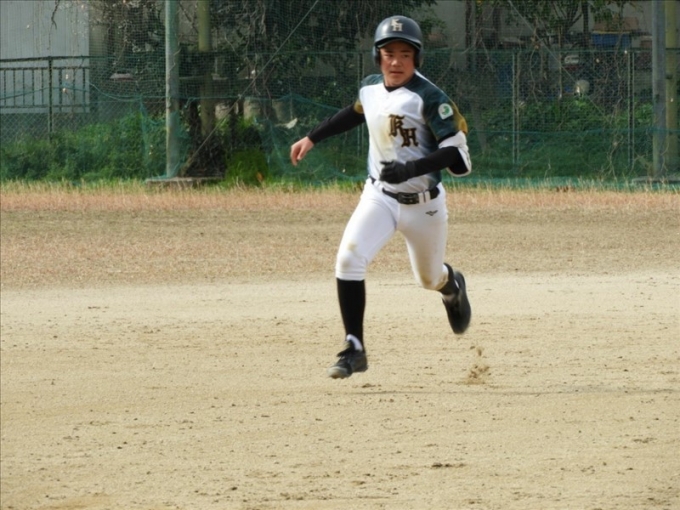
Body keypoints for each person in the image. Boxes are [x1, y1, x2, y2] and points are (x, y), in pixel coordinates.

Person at [290, 15, 472, 379]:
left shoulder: (431, 98)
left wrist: (410, 169)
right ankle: (354, 348)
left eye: (405, 54)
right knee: (349, 259)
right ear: (378, 57)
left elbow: (456, 153)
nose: (396, 61)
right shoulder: (371, 89)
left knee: (428, 278)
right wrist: (312, 137)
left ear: (416, 58)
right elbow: (355, 113)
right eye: (389, 53)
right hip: (380, 197)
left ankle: (451, 285)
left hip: (424, 205)